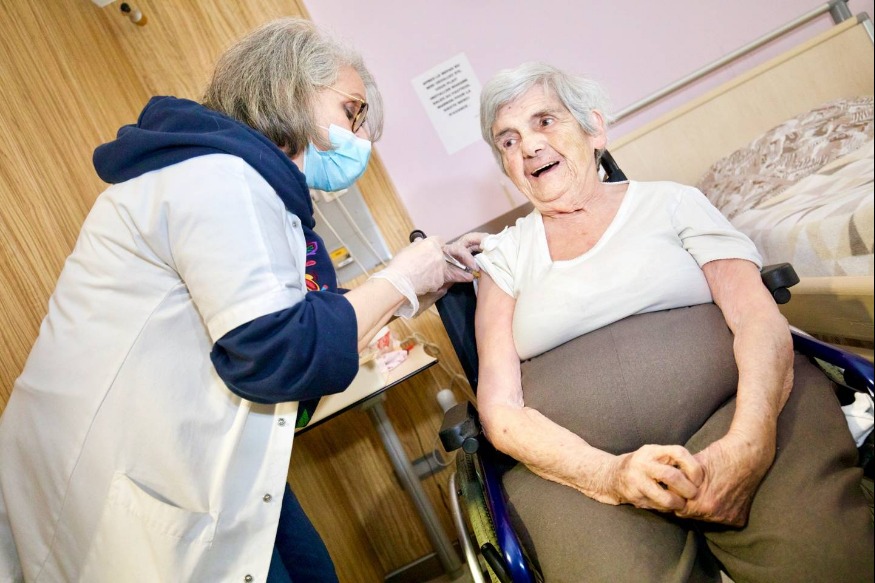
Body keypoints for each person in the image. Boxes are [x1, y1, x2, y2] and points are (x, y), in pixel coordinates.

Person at [0, 18, 483, 583]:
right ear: (289, 91)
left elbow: (292, 320)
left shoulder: (249, 187)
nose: (361, 138)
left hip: (207, 463)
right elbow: (281, 351)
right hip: (126, 479)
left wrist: (415, 288)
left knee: (311, 568)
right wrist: (400, 279)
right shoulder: (219, 180)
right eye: (351, 111)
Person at [472, 62, 873, 582]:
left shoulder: (673, 202)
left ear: (594, 130)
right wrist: (608, 475)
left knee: (821, 564)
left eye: (544, 121)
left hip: (733, 412)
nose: (528, 146)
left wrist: (749, 443)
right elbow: (501, 409)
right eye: (508, 140)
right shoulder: (502, 257)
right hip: (577, 471)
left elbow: (757, 318)